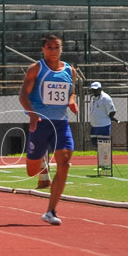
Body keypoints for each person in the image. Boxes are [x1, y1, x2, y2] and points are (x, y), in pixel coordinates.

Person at [18, 33, 77, 226]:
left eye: (56, 47)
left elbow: (72, 91)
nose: (53, 50)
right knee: (32, 171)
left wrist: (71, 101)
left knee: (65, 161)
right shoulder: (36, 68)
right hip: (41, 122)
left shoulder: (70, 70)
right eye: (49, 47)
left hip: (60, 123)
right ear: (43, 50)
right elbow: (23, 95)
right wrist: (32, 114)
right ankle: (41, 161)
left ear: (62, 48)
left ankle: (50, 211)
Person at [88, 81, 118, 148]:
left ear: (100, 89)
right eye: (92, 90)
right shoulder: (93, 98)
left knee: (104, 145)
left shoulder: (105, 98)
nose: (94, 91)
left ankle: (106, 158)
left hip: (103, 126)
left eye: (95, 90)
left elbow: (112, 111)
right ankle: (99, 158)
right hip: (94, 125)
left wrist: (109, 117)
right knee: (95, 145)